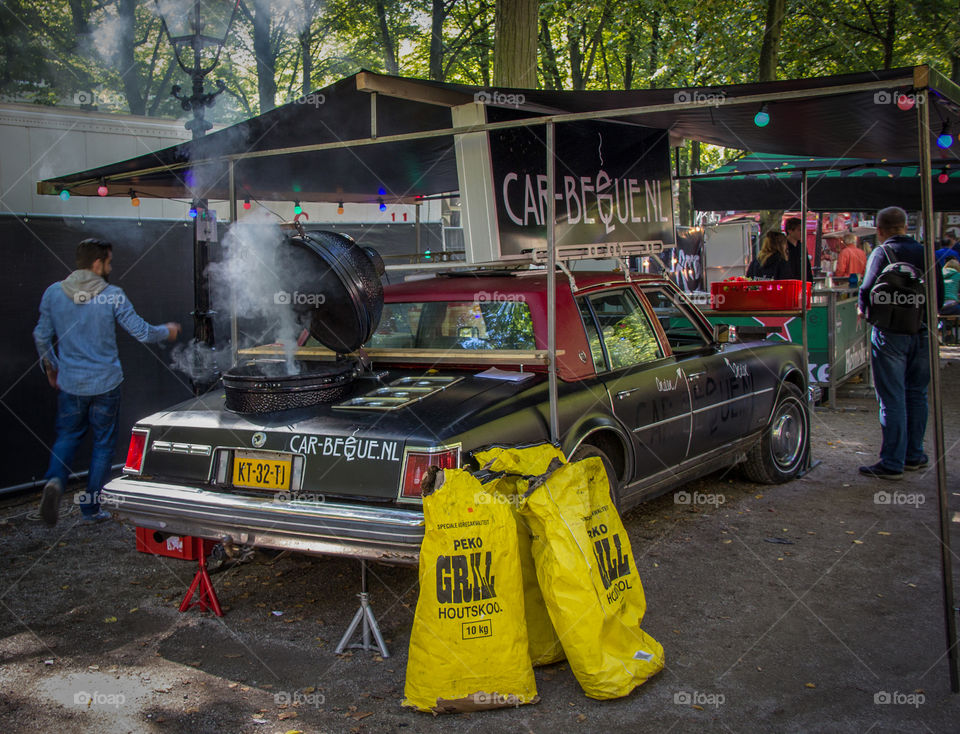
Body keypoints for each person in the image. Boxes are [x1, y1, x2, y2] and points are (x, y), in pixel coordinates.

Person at [33, 239, 181, 526]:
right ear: (98, 263)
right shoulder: (112, 295)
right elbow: (141, 332)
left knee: (67, 436)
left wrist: (52, 367)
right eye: (109, 262)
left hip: (70, 383)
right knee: (103, 445)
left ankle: (54, 482)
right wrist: (168, 331)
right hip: (106, 384)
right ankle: (90, 509)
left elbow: (41, 336)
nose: (111, 267)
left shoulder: (53, 293)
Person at [857, 207, 943, 480]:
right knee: (917, 394)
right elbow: (938, 294)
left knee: (892, 396)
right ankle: (914, 455)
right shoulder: (926, 252)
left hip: (890, 332)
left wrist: (865, 311)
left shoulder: (882, 253)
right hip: (924, 330)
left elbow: (867, 289)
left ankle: (892, 462)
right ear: (905, 227)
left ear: (880, 230)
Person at [784, 217, 813, 281]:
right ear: (790, 231)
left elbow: (807, 267)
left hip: (801, 283)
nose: (802, 233)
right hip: (788, 283)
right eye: (799, 230)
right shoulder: (782, 246)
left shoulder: (802, 247)